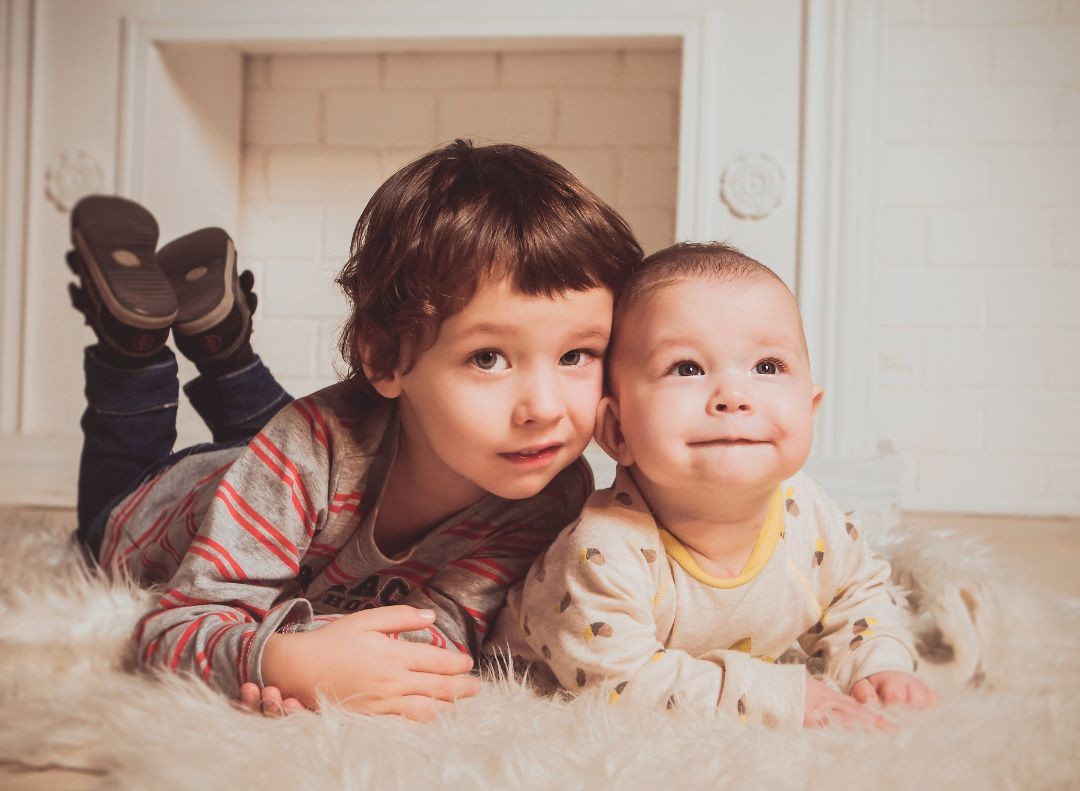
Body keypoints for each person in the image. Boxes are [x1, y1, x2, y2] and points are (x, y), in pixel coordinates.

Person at [66, 140, 642, 719]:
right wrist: (277, 662)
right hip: (163, 504)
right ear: (385, 358)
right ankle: (132, 347)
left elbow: (443, 633)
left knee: (322, 445)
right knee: (104, 517)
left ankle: (226, 350)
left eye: (577, 355)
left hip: (302, 477)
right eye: (488, 358)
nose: (543, 409)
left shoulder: (548, 491)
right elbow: (167, 630)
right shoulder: (306, 452)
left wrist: (344, 657)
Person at [491, 242, 938, 729]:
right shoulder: (601, 550)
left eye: (768, 367)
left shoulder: (806, 510)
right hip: (532, 678)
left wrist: (879, 662)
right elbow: (619, 683)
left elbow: (856, 594)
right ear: (618, 431)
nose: (734, 396)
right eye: (687, 368)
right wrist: (780, 695)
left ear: (810, 411)